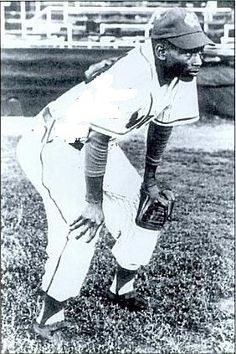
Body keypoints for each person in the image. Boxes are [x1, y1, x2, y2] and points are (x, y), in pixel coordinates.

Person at [17, 7, 214, 340]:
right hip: (51, 144)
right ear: (163, 49)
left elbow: (162, 126)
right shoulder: (130, 76)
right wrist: (93, 203)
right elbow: (97, 139)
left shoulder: (180, 71)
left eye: (199, 50)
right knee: (81, 224)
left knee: (147, 207)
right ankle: (48, 318)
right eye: (188, 50)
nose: (197, 59)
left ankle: (121, 289)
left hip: (92, 143)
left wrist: (149, 181)